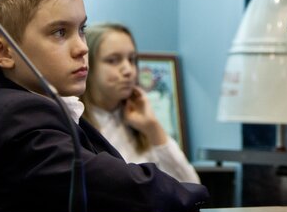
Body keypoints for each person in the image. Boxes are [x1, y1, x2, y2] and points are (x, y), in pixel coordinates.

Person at [0, 0, 208, 212]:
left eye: (81, 29)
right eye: (60, 32)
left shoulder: (46, 107)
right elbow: (128, 189)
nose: (82, 48)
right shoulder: (17, 115)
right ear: (3, 52)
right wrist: (194, 192)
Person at [80, 23, 200, 183]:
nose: (128, 70)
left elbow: (190, 183)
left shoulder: (138, 125)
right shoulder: (75, 123)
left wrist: (153, 128)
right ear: (87, 65)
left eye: (132, 59)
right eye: (113, 60)